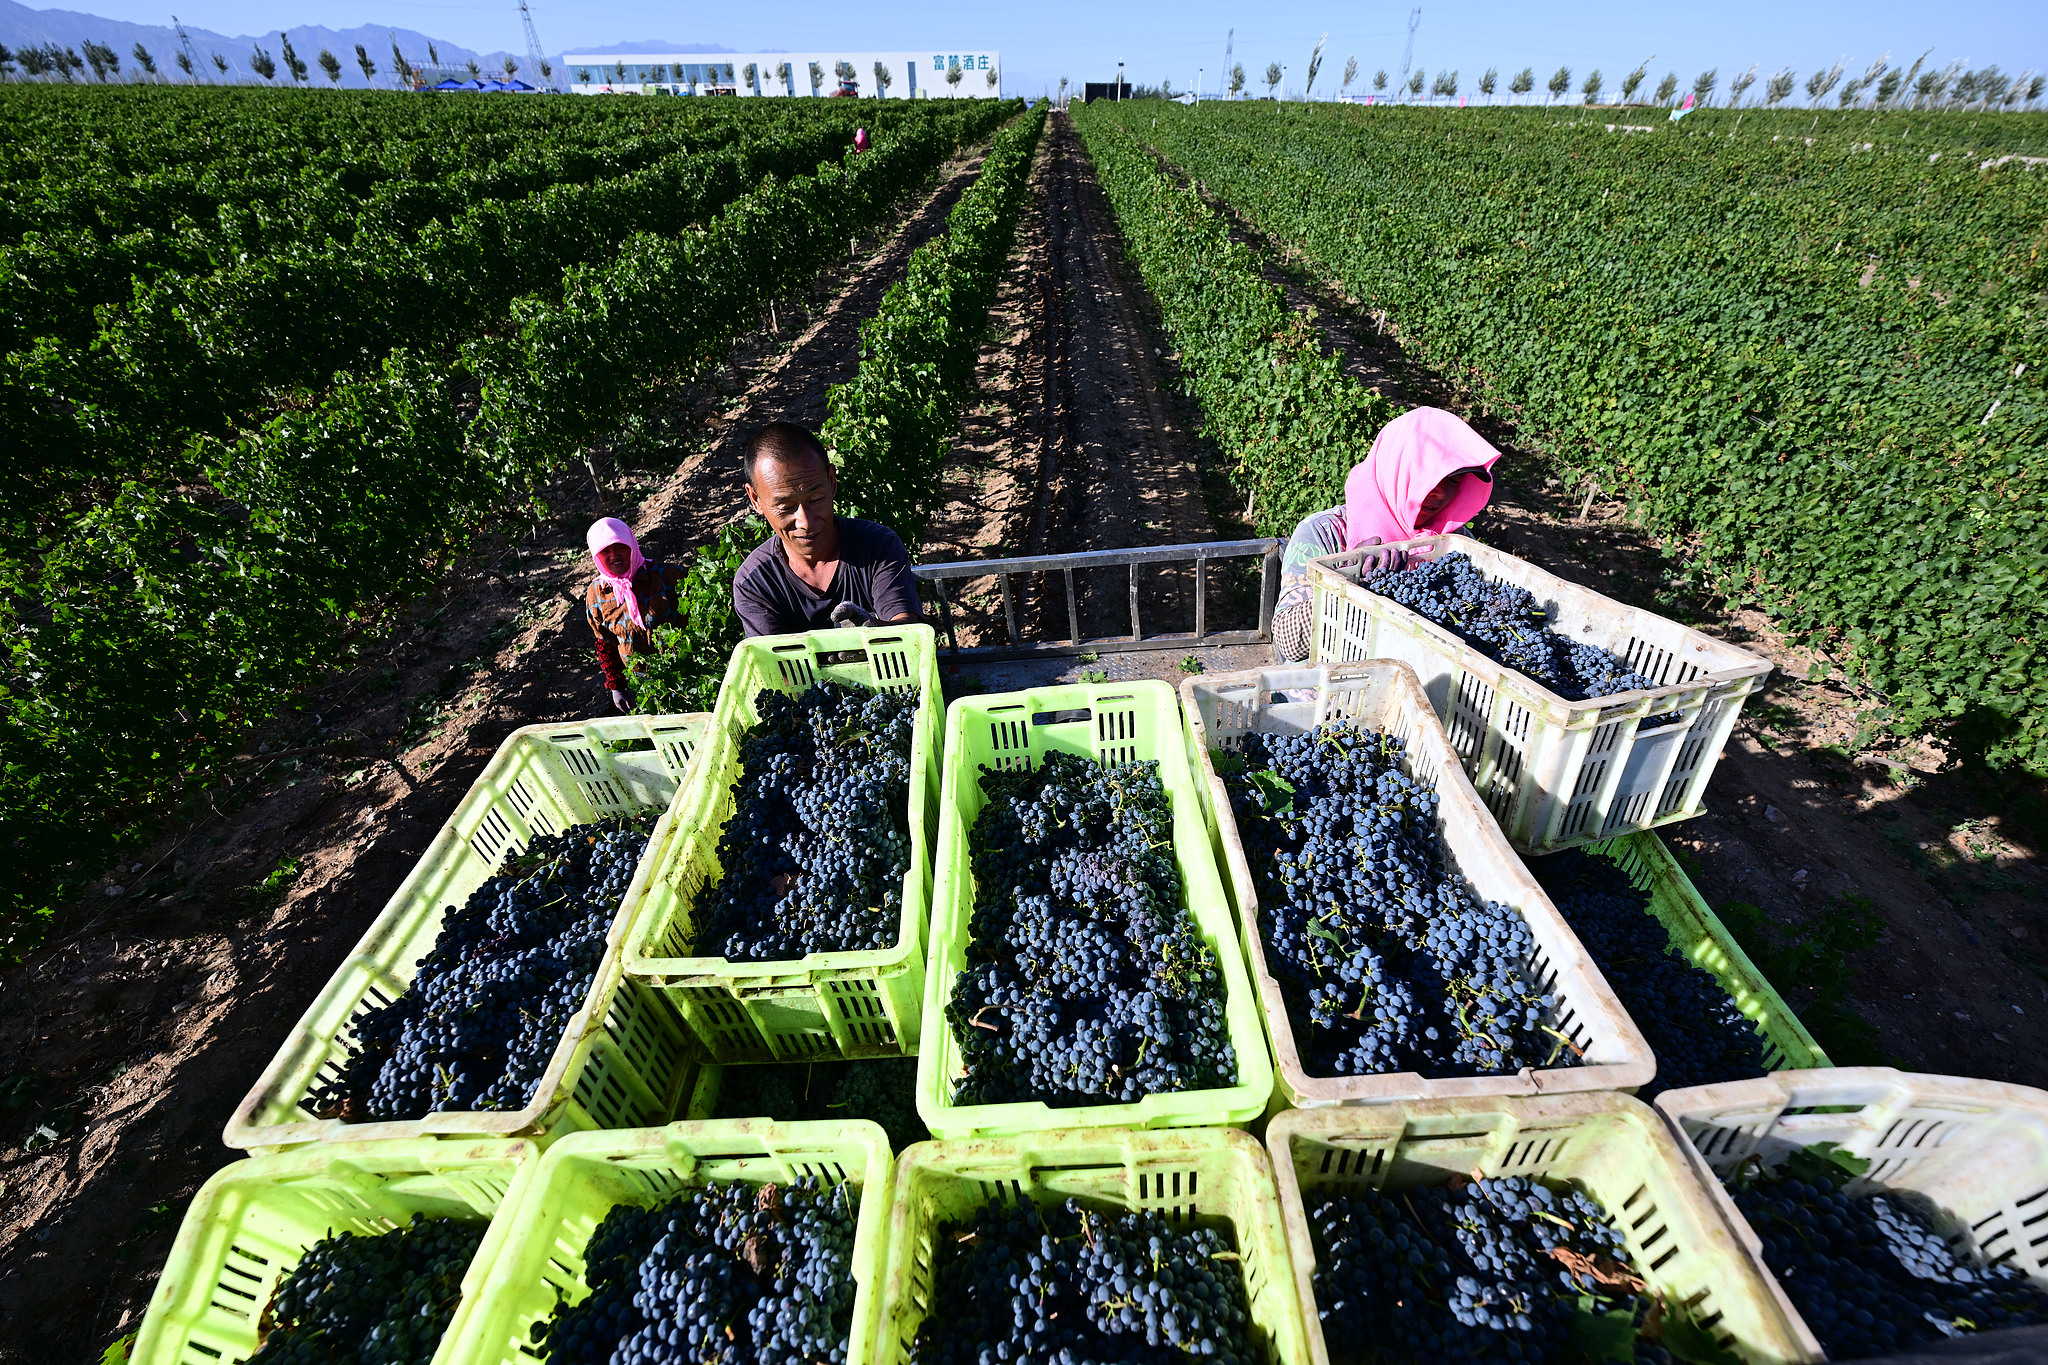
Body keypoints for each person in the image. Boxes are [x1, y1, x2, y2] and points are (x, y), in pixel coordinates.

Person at [1272, 406, 1502, 662]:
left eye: (1453, 481)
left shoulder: (1454, 544)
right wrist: (1350, 589)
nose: (1440, 493)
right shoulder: (1325, 533)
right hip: (1327, 692)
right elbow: (1287, 644)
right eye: (1428, 476)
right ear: (1397, 466)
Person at [733, 421, 921, 637]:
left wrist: (873, 632)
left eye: (816, 499)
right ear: (755, 499)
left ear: (832, 481)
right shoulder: (756, 581)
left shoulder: (877, 545)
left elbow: (906, 631)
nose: (805, 522)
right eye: (785, 507)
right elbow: (774, 665)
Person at [585, 517, 687, 713]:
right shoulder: (596, 595)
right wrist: (616, 686)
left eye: (619, 546)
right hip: (645, 686)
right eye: (605, 551)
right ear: (596, 555)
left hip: (686, 674)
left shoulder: (670, 576)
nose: (614, 555)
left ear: (631, 544)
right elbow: (605, 643)